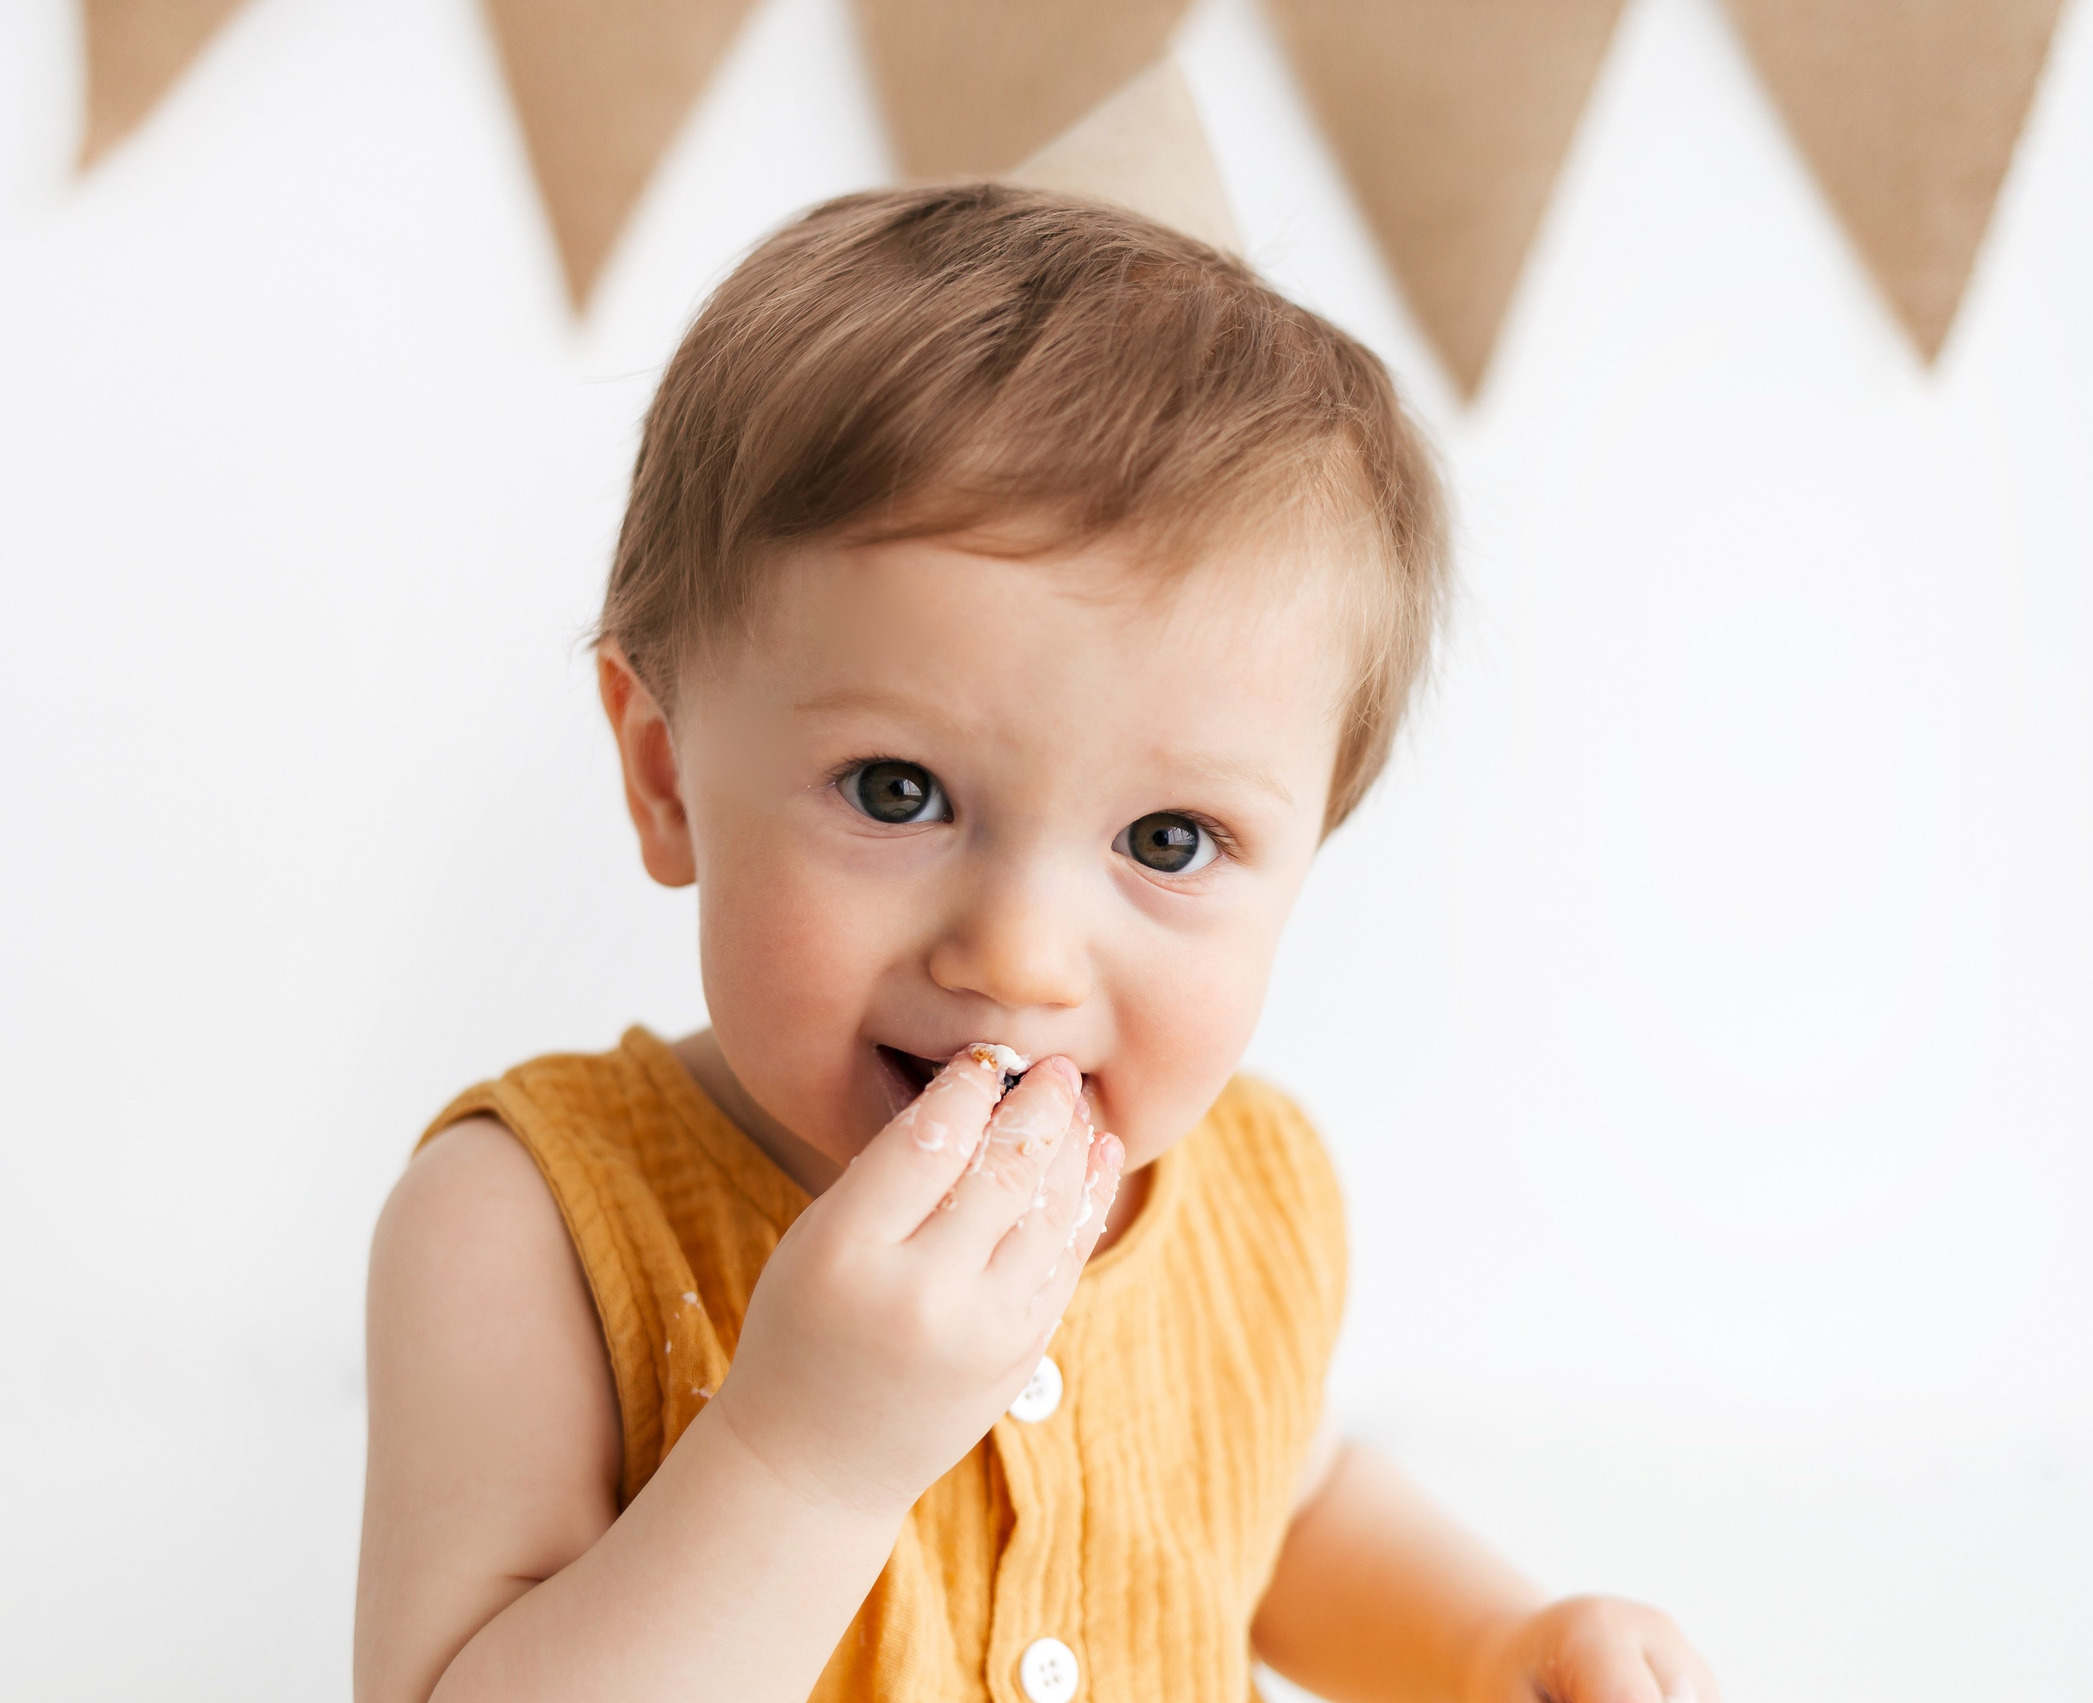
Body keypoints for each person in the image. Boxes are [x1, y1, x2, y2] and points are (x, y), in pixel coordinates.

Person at [352, 183, 1721, 1703]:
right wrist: (806, 1452)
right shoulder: (522, 1226)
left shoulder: (1250, 1195)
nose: (1019, 959)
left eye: (1168, 841)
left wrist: (1490, 1644)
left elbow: (1281, 1504)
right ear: (667, 774)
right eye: (898, 792)